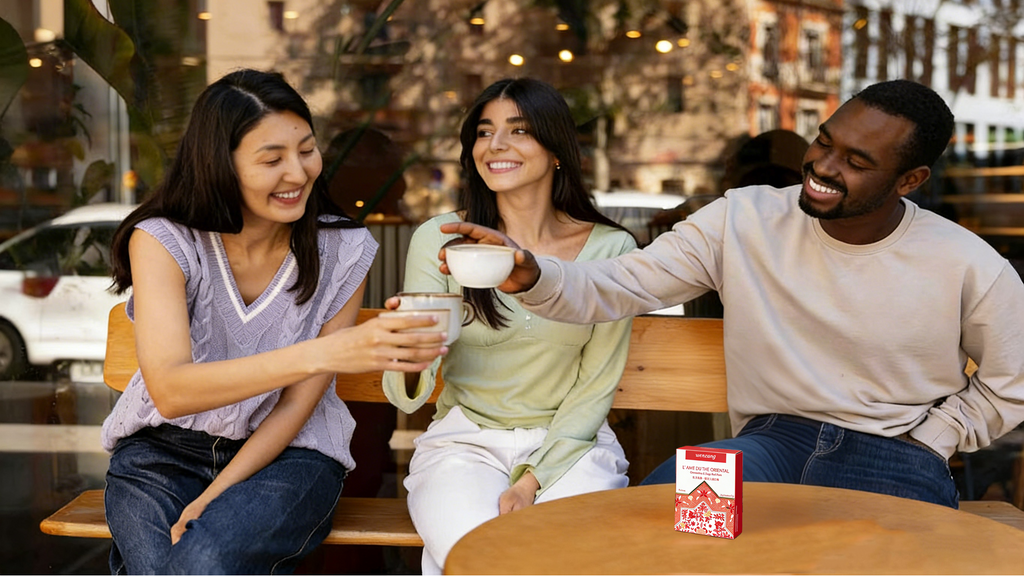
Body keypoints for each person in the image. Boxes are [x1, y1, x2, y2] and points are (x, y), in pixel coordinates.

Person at [436, 79, 1024, 509]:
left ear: (910, 180)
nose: (821, 165)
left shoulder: (967, 263)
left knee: (885, 563)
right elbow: (620, 284)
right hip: (772, 439)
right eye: (824, 142)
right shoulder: (743, 219)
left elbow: (1011, 380)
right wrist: (533, 274)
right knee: (663, 512)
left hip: (894, 452)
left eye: (856, 161)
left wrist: (935, 439)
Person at [101, 69, 447, 574]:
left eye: (306, 150)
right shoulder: (163, 241)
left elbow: (296, 409)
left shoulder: (343, 250)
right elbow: (172, 391)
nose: (299, 172)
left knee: (206, 560)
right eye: (272, 160)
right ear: (221, 166)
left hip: (292, 457)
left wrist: (213, 498)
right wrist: (326, 352)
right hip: (162, 453)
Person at [380, 77, 635, 574]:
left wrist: (530, 481)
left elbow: (595, 386)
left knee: (560, 561)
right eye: (483, 131)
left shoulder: (611, 250)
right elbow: (406, 395)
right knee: (477, 559)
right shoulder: (441, 238)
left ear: (556, 148)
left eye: (518, 130)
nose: (495, 145)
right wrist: (412, 353)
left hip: (571, 445)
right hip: (463, 442)